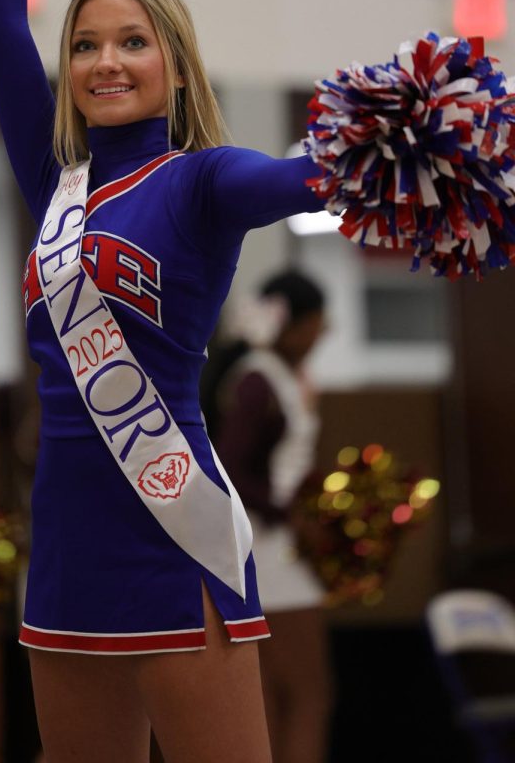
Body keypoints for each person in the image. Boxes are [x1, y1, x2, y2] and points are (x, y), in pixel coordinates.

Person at [0, 0, 326, 763]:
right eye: (85, 45)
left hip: (174, 529)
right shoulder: (56, 190)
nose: (105, 62)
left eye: (133, 41)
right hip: (65, 546)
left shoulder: (203, 181)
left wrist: (395, 140)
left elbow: (299, 177)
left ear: (174, 61)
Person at [215, 270, 332, 763]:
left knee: (280, 696)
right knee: (306, 694)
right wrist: (290, 515)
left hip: (278, 548)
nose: (323, 335)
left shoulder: (278, 375)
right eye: (319, 325)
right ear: (295, 324)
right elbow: (232, 468)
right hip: (269, 553)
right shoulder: (258, 377)